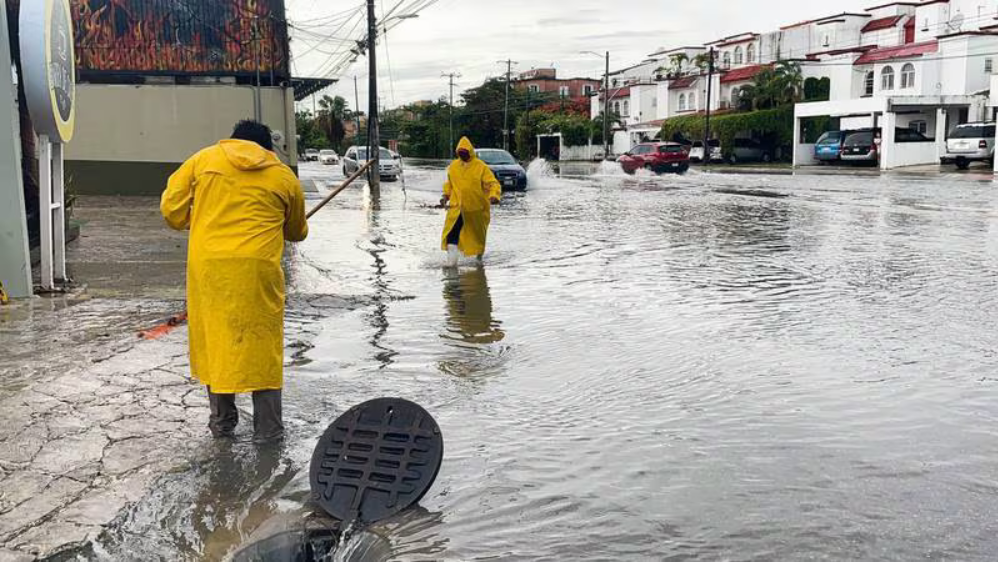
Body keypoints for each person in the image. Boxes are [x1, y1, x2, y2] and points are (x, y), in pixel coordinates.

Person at [161, 120, 308, 442]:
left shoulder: (202, 160)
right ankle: (268, 433)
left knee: (217, 341)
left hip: (209, 270)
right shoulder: (283, 175)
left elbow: (172, 211)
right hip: (258, 271)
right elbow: (297, 232)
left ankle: (222, 426)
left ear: (231, 141)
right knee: (262, 346)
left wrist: (198, 219)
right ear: (268, 148)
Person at [440, 137, 501, 266]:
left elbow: (492, 183)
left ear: (470, 152)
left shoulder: (481, 167)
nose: (462, 155)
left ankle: (478, 259)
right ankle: (452, 262)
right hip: (457, 208)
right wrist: (445, 196)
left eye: (464, 153)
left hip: (476, 209)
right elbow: (449, 184)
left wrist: (494, 195)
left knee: (477, 236)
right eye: (460, 153)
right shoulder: (453, 167)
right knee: (451, 232)